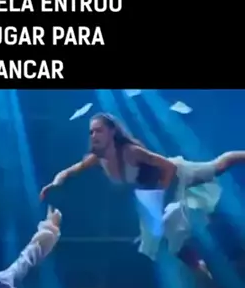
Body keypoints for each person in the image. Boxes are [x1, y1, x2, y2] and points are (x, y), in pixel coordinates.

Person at [40, 112, 245, 278]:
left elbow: (169, 168)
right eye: (91, 132)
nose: (93, 135)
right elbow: (69, 172)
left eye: (98, 131)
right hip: (154, 194)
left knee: (217, 167)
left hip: (175, 176)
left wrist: (162, 198)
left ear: (112, 131)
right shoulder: (97, 159)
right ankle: (203, 272)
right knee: (172, 244)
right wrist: (55, 184)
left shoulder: (130, 152)